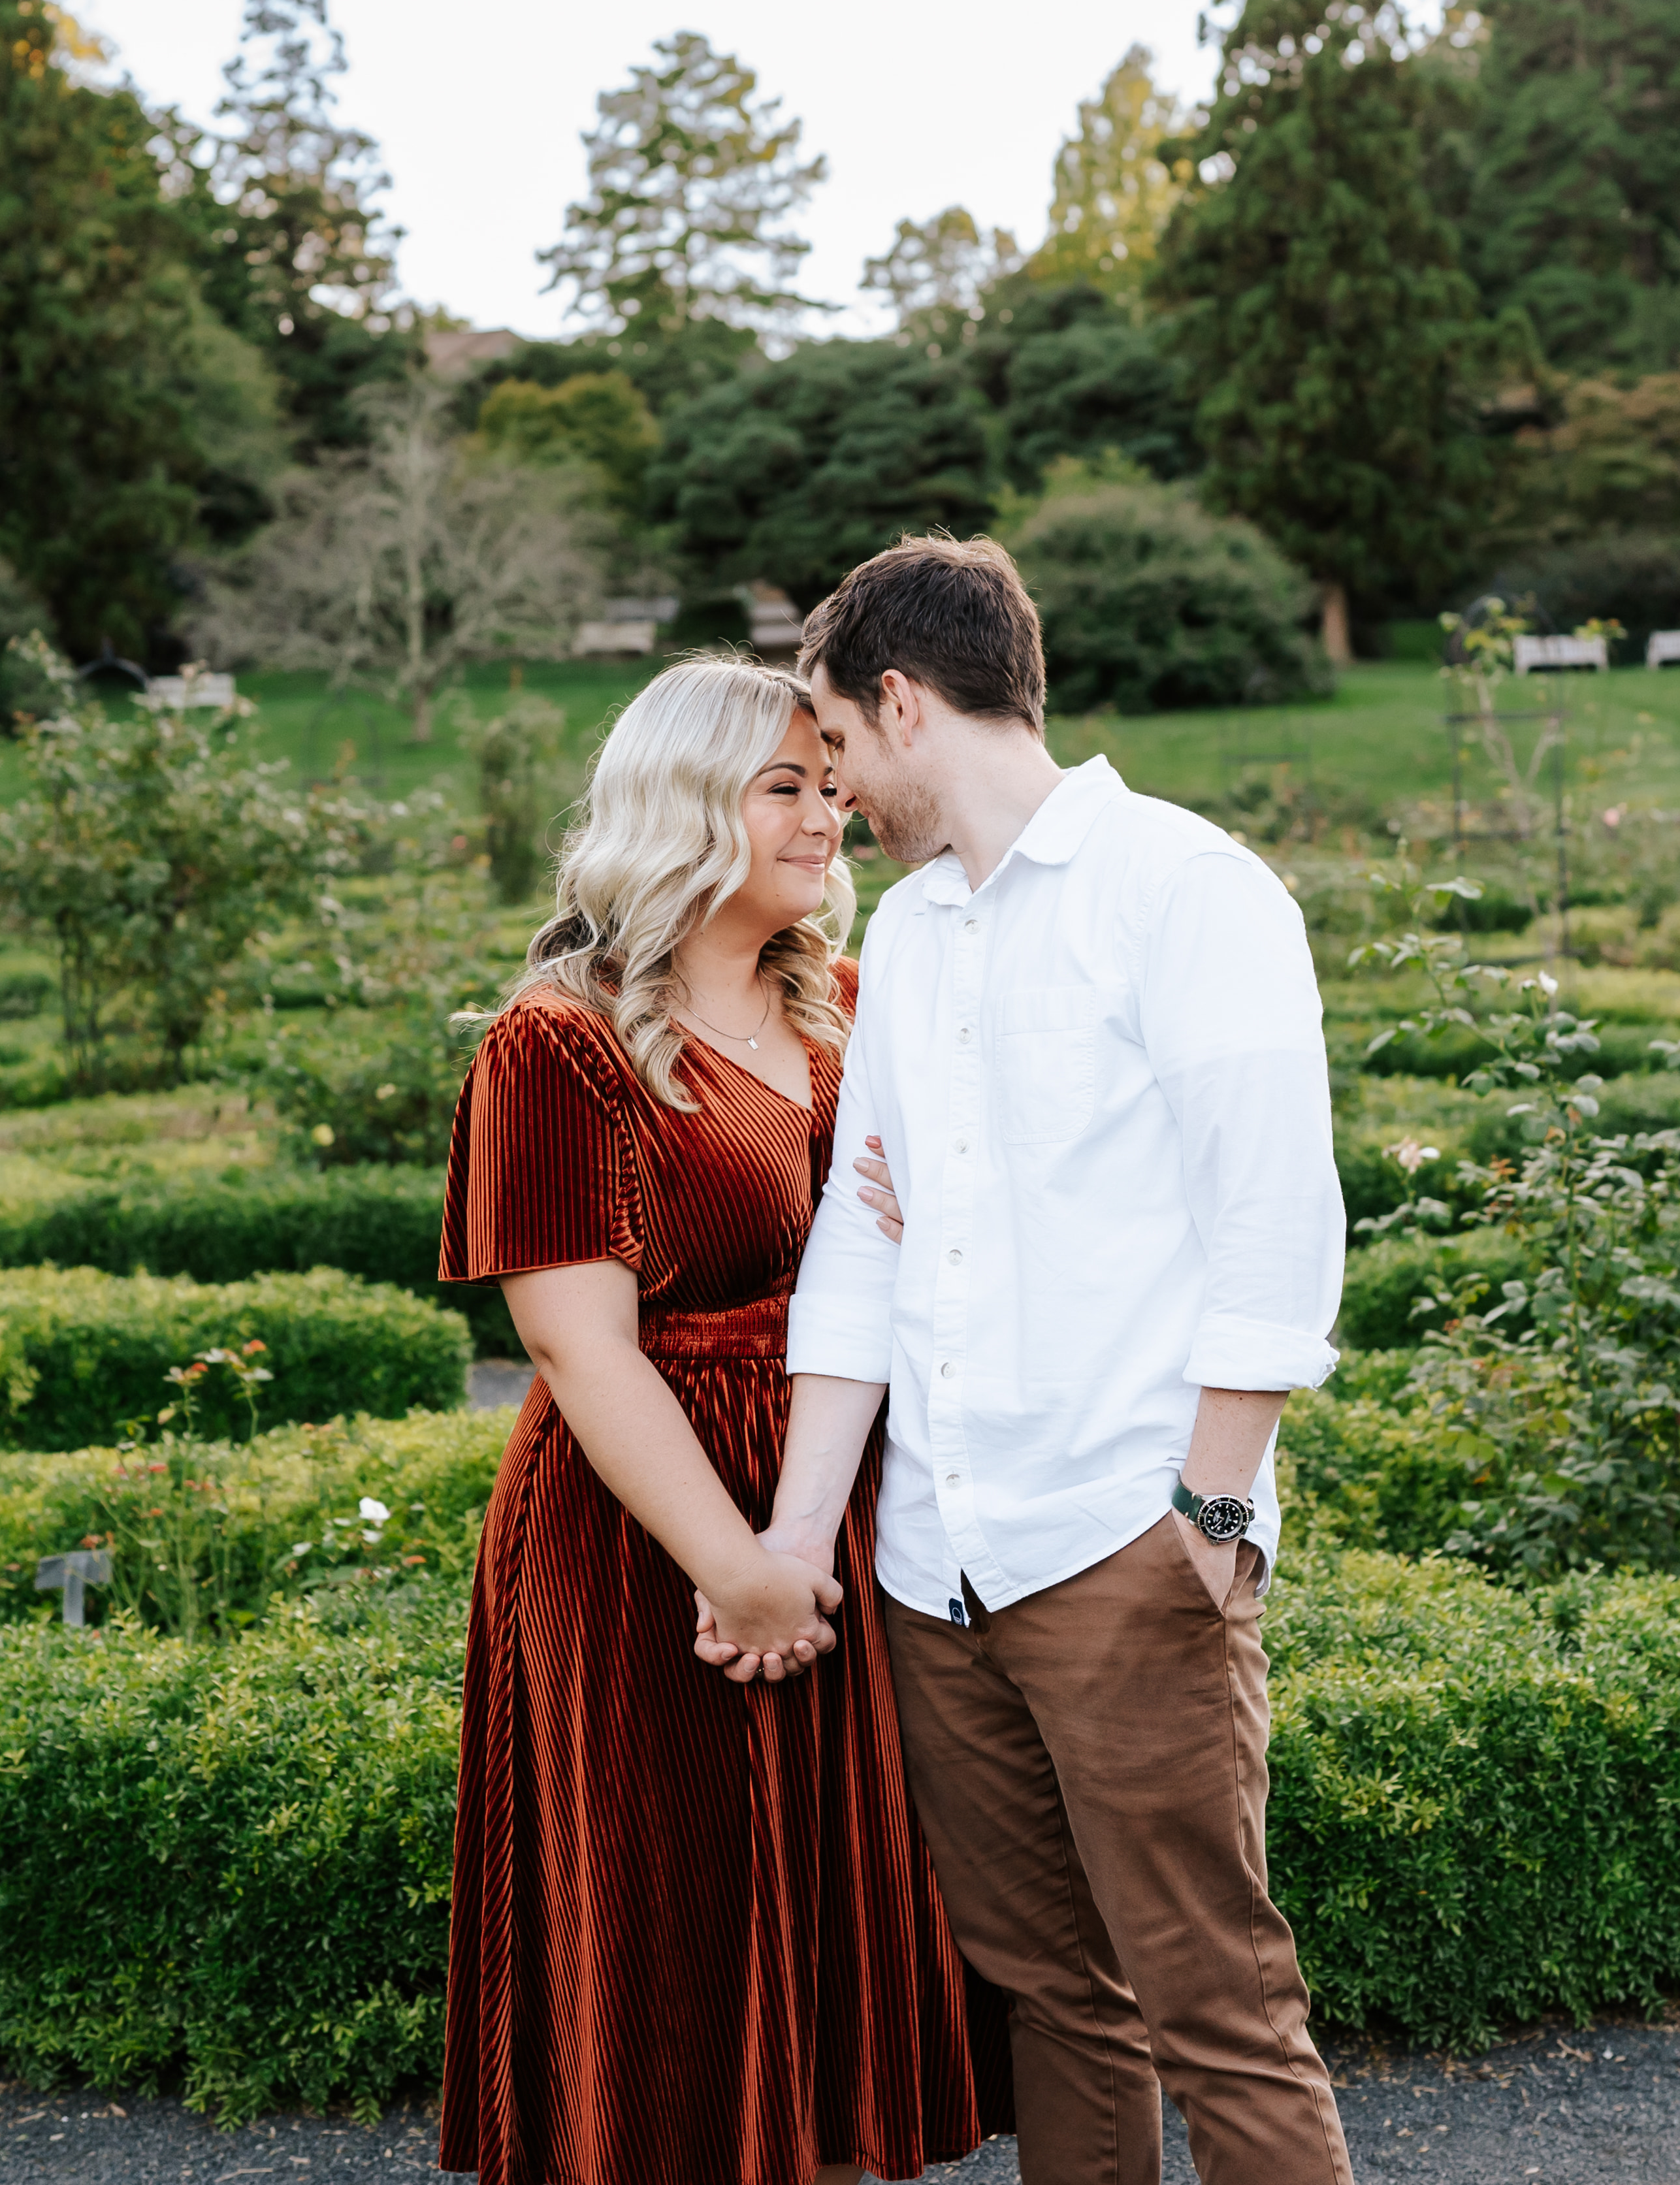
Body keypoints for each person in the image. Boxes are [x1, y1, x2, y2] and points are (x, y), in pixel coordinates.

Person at [747, 536, 1359, 2185]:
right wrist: (809, 1536)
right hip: (935, 1561)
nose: (838, 790)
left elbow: (1276, 1224)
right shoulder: (921, 941)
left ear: (903, 700)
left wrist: (1209, 1517)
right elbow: (864, 1249)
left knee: (1219, 2000)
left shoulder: (1187, 888)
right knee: (1054, 2000)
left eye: (840, 746)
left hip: (1121, 1541)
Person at [436, 655, 1005, 2185]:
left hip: (826, 1501)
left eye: (834, 785)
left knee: (812, 1932)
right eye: (788, 788)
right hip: (647, 1532)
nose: (832, 815)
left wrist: (800, 1542)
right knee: (674, 1930)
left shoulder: (845, 1008)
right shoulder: (560, 1040)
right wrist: (735, 1565)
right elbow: (576, 1341)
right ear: (689, 804)